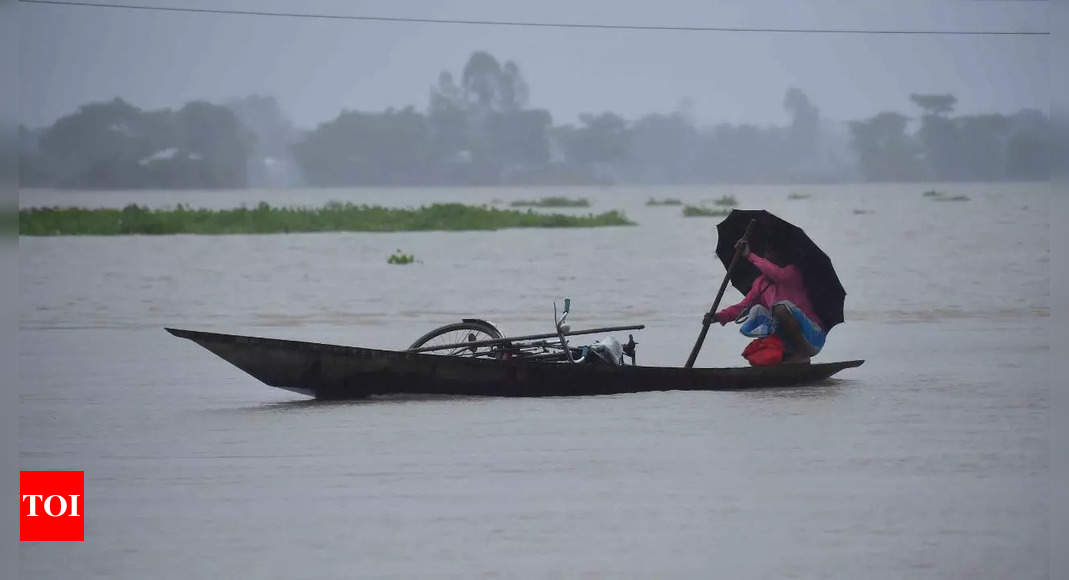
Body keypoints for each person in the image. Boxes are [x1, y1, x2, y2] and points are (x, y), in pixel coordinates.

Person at [705, 239, 826, 364]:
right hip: (788, 341)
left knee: (780, 309)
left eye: (773, 254)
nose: (768, 257)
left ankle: (802, 355)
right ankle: (785, 356)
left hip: (811, 338)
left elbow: (777, 274)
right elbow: (742, 307)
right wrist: (718, 317)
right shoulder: (760, 284)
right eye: (766, 254)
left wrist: (749, 255)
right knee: (757, 311)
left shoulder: (791, 273)